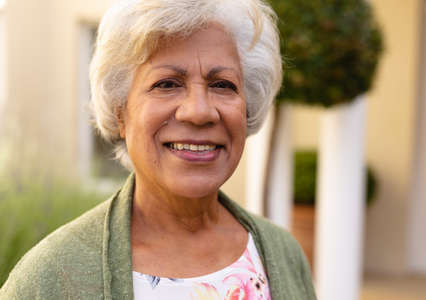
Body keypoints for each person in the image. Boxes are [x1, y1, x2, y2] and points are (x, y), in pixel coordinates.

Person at [0, 0, 316, 299]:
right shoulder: (50, 279)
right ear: (120, 111)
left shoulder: (283, 254)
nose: (199, 112)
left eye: (222, 84)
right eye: (167, 84)